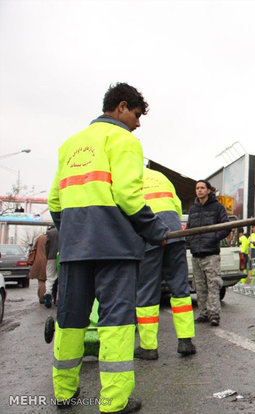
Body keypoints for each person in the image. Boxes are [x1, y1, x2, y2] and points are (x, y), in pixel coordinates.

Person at [48, 82, 169, 413]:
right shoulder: (124, 141)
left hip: (74, 249)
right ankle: (114, 402)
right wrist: (155, 230)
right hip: (115, 248)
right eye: (137, 114)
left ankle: (64, 393)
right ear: (121, 106)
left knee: (70, 320)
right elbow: (129, 196)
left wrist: (74, 233)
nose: (138, 123)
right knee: (116, 322)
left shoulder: (70, 144)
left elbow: (54, 201)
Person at [134, 167, 196, 360]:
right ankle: (185, 341)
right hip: (174, 232)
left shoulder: (128, 175)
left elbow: (128, 208)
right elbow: (176, 206)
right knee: (180, 288)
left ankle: (148, 347)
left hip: (150, 235)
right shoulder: (160, 176)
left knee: (147, 291)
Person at [186, 179, 229, 326]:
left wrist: (212, 238)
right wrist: (190, 242)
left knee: (213, 285)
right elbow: (189, 230)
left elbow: (226, 227)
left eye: (202, 188)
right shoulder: (193, 210)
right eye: (197, 188)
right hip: (196, 254)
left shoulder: (218, 208)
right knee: (199, 286)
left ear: (208, 190)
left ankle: (214, 315)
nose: (199, 190)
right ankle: (203, 313)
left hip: (210, 253)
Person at [27, 232, 47, 304]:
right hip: (49, 260)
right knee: (49, 280)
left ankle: (42, 297)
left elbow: (34, 249)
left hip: (39, 261)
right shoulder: (52, 237)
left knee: (41, 280)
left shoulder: (40, 238)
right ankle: (48, 295)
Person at [44, 225, 59, 308]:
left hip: (51, 257)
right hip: (62, 257)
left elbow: (46, 246)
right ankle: (59, 300)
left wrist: (48, 256)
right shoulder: (66, 229)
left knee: (50, 277)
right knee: (62, 279)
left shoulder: (50, 232)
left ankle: (48, 293)